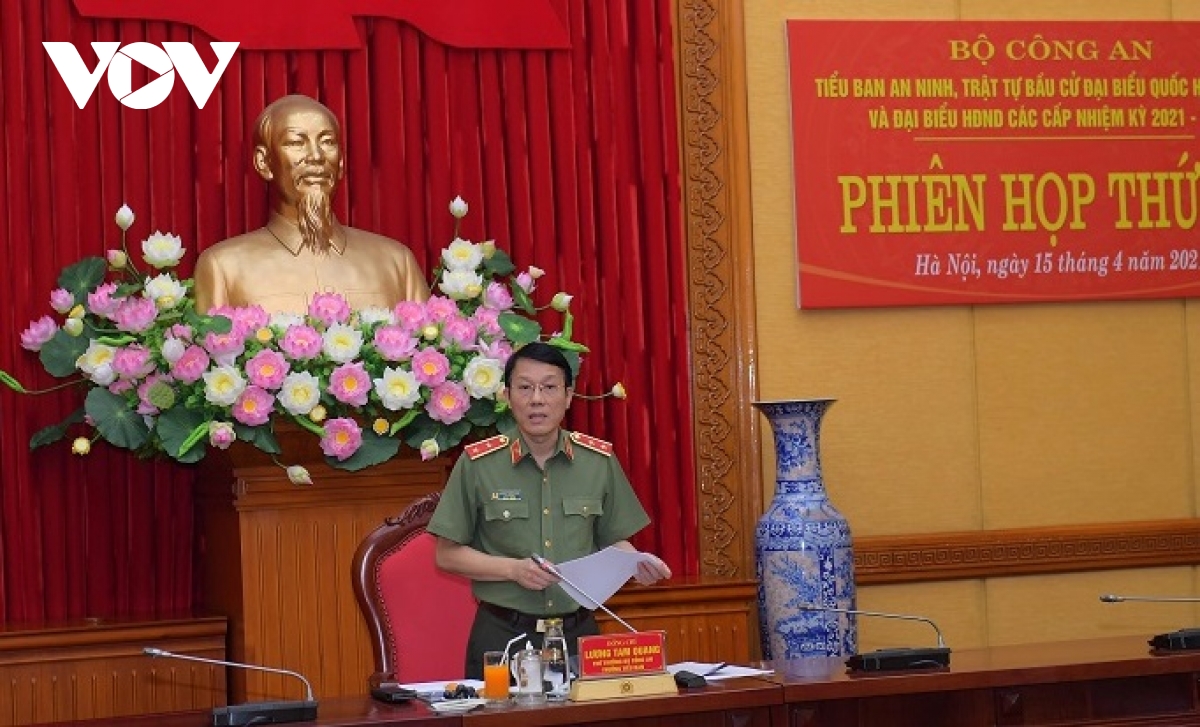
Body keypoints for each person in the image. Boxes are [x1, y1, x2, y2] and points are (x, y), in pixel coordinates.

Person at [427, 342, 672, 678]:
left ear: (568, 396)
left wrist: (635, 563)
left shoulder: (598, 462)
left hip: (578, 636)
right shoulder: (478, 464)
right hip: (503, 637)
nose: (537, 399)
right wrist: (514, 570)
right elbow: (446, 555)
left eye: (549, 387)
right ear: (507, 396)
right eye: (525, 388)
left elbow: (614, 541)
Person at [193, 94, 429, 315]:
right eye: (296, 142)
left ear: (341, 162)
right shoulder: (223, 267)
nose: (316, 156)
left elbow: (428, 340)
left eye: (328, 142)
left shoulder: (397, 263)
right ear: (264, 162)